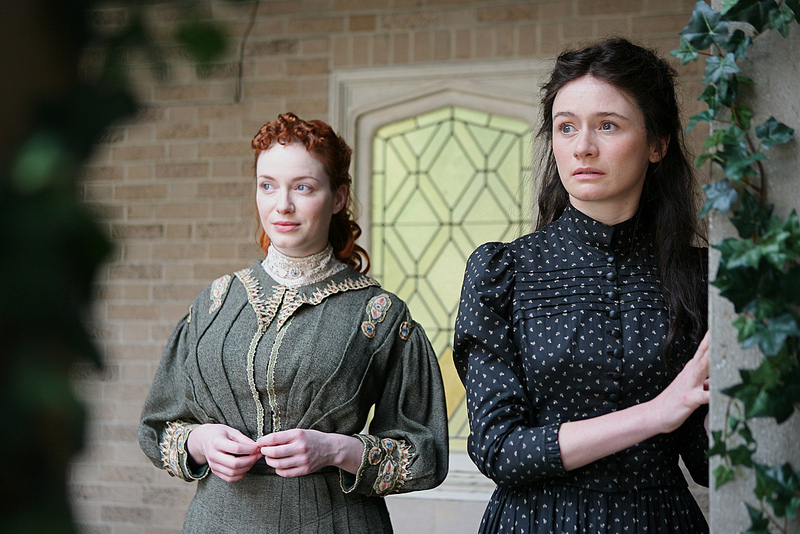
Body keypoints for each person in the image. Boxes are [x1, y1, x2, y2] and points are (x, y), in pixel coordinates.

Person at [139, 112, 448, 533]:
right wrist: (201, 442)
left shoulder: (378, 314)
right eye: (267, 186)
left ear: (337, 197)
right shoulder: (213, 303)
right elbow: (158, 427)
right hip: (216, 522)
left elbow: (425, 454)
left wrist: (335, 450)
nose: (282, 204)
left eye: (303, 187)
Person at [453, 38, 710, 533]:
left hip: (658, 522)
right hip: (537, 522)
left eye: (607, 125)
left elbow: (711, 461)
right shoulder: (504, 272)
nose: (582, 146)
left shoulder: (700, 277)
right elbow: (498, 449)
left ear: (657, 144)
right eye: (566, 127)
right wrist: (656, 413)